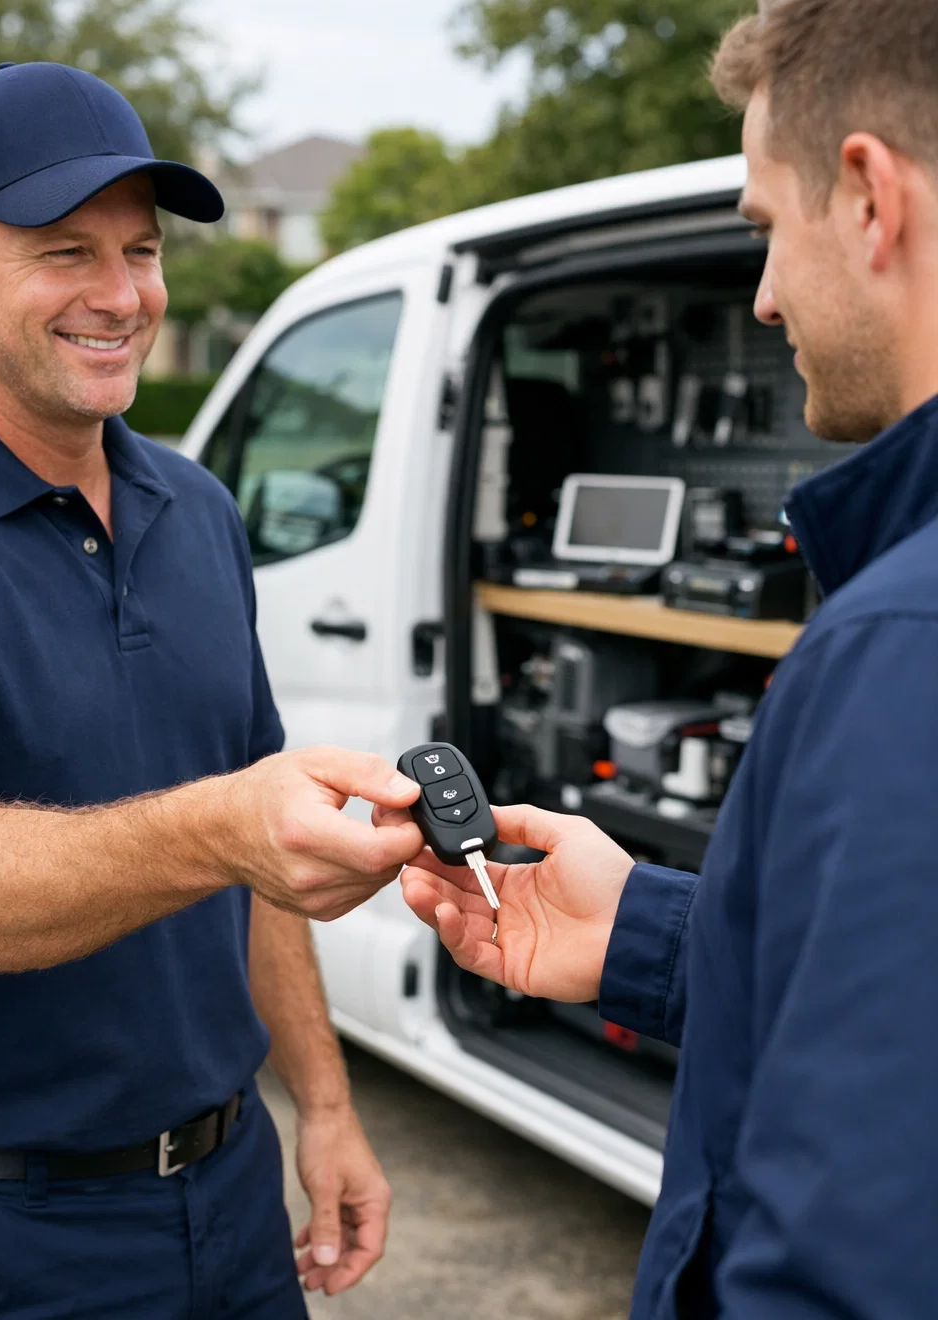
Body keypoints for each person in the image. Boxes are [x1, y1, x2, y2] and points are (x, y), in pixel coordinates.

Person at [401, 1, 938, 1314]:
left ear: (869, 198)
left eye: (764, 228)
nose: (758, 296)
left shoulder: (897, 643)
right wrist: (645, 930)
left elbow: (848, 1272)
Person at [0, 62, 426, 1318]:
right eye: (64, 251)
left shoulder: (192, 507)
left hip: (232, 1196)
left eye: (141, 251)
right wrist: (227, 826)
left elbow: (258, 841)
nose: (120, 295)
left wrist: (324, 1105)